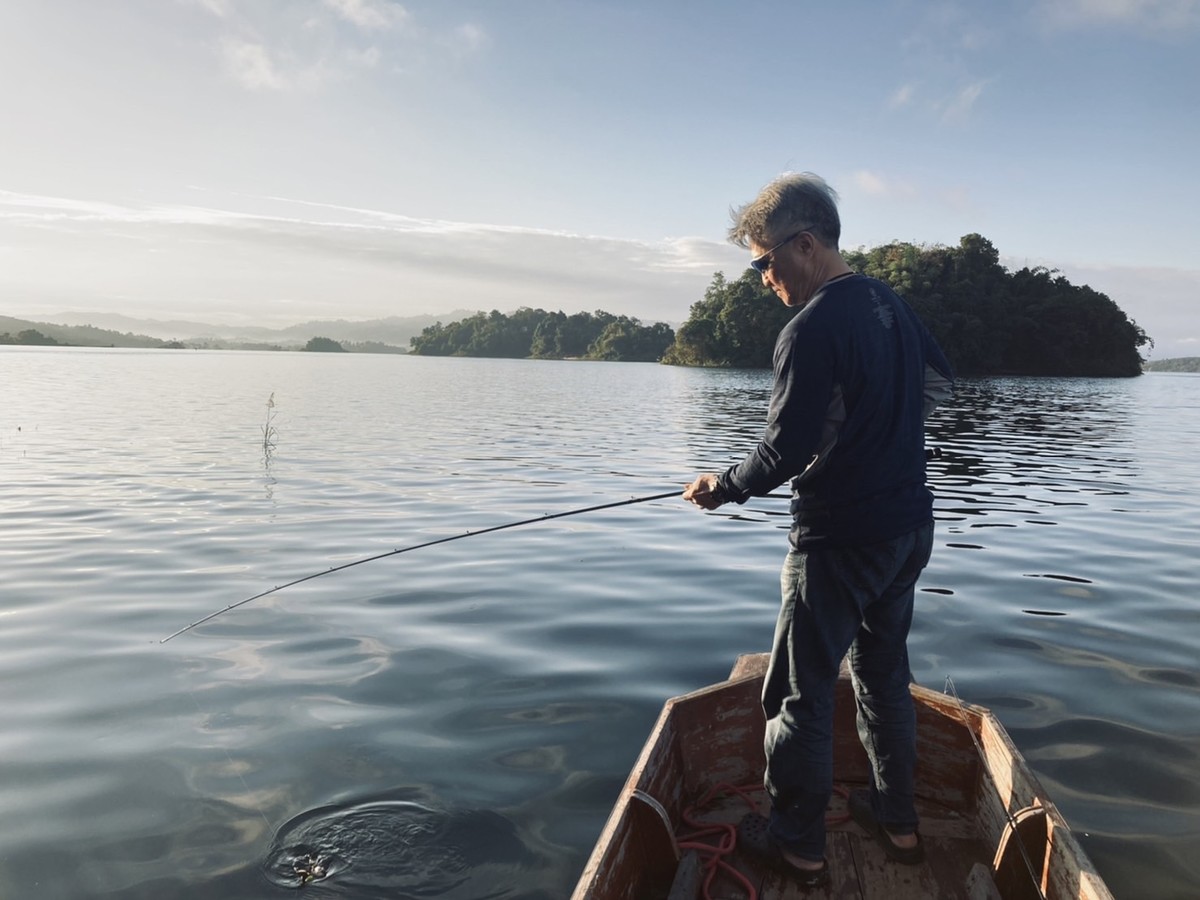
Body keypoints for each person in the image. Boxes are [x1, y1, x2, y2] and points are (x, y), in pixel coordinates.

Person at [683, 172, 954, 887]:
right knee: (883, 675)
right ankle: (896, 823)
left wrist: (724, 485)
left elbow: (783, 451)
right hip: (908, 530)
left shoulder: (812, 326)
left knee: (797, 695)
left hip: (839, 541)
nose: (762, 278)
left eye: (764, 262)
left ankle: (798, 845)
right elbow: (937, 388)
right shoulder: (891, 306)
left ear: (804, 244)